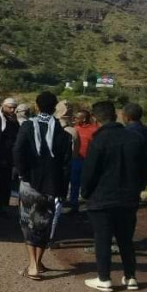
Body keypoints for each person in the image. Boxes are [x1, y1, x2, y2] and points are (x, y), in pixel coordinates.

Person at [81, 101, 147, 292]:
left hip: (102, 198)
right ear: (116, 115)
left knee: (102, 239)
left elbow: (89, 172)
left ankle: (104, 278)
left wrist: (86, 193)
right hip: (128, 198)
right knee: (126, 239)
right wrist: (138, 187)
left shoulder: (99, 140)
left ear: (95, 118)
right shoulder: (135, 138)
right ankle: (131, 277)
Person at [13, 91, 72, 280]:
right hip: (52, 184)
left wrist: (23, 174)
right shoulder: (62, 132)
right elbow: (66, 164)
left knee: (28, 222)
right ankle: (38, 263)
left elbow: (18, 151)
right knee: (43, 223)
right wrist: (63, 188)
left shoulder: (28, 126)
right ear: (55, 108)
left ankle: (32, 266)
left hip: (30, 183)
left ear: (37, 106)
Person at [50, 100, 80, 241]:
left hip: (47, 172)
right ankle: (51, 235)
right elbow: (74, 155)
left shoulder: (46, 128)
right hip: (63, 171)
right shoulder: (72, 132)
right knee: (57, 205)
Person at [0, 97, 19, 214]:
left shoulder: (12, 118)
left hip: (10, 155)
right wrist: (0, 156)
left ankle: (3, 205)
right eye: (10, 107)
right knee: (2, 182)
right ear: (4, 106)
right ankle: (0, 205)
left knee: (7, 181)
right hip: (3, 156)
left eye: (14, 107)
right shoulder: (0, 119)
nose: (12, 110)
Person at [69, 109, 99, 212]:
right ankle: (73, 205)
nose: (75, 119)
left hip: (89, 161)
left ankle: (92, 205)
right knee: (74, 183)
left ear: (84, 119)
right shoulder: (75, 128)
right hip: (76, 159)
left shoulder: (95, 130)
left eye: (77, 118)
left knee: (89, 183)